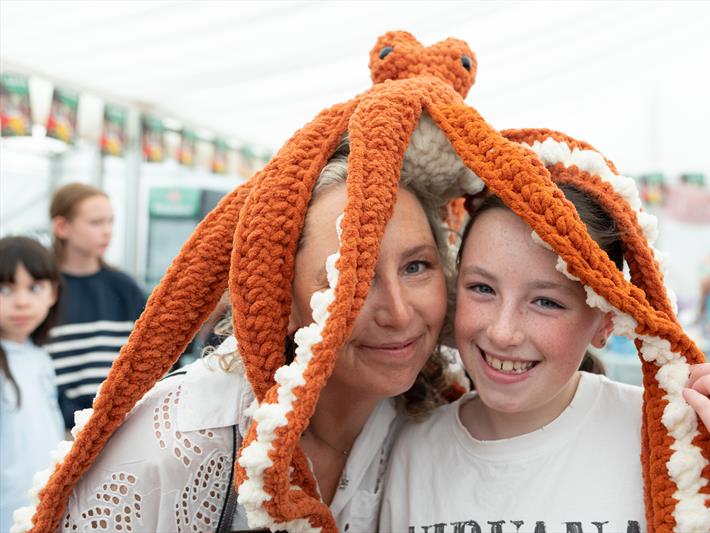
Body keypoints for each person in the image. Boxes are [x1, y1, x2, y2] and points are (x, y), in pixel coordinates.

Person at [30, 140, 460, 533]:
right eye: (350, 277)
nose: (400, 313)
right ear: (281, 299)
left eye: (416, 266)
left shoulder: (437, 422)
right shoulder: (181, 439)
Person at [381, 166, 710, 531]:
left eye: (546, 301)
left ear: (605, 321)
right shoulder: (407, 450)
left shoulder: (671, 442)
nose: (503, 332)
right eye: (482, 289)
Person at [47, 183, 147, 428]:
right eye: (96, 223)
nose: (107, 231)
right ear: (62, 227)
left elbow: (147, 353)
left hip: (121, 425)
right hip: (60, 430)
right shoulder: (42, 290)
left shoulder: (124, 288)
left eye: (110, 222)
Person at [0, 237, 65, 533]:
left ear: (52, 293)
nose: (22, 301)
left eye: (34, 287)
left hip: (39, 508)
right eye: (5, 289)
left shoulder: (40, 358)